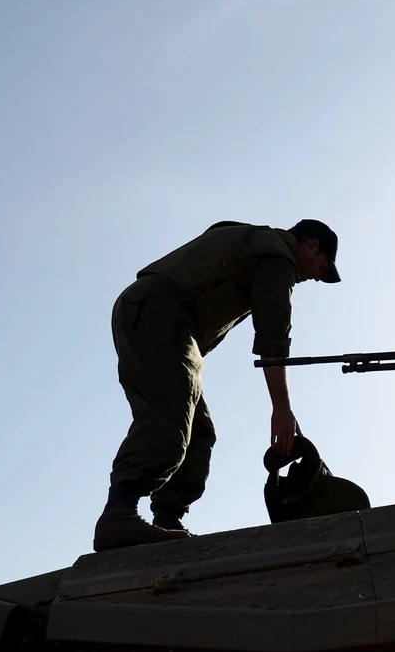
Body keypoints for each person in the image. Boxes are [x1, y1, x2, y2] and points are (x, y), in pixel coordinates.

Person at [93, 219, 340, 552]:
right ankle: (119, 512)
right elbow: (273, 339)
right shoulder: (278, 256)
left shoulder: (250, 240)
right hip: (162, 315)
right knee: (169, 418)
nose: (313, 276)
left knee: (198, 430)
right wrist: (282, 409)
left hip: (158, 317)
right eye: (320, 267)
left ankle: (167, 519)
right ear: (309, 246)